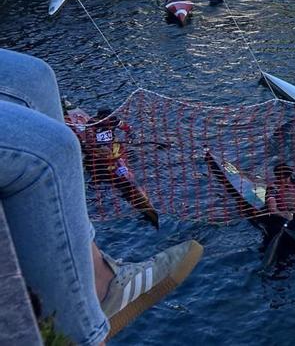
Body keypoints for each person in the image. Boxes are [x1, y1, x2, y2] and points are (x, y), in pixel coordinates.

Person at [0, 49, 203, 345]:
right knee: (55, 148)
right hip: (107, 159)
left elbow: (121, 129)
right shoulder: (96, 128)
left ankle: (97, 270)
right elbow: (100, 134)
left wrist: (126, 136)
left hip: (111, 157)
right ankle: (86, 325)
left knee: (35, 77)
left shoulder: (104, 126)